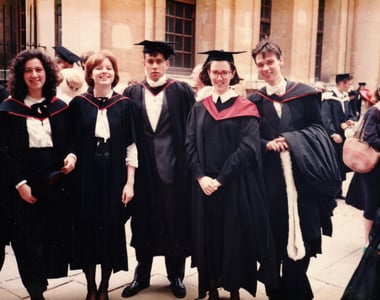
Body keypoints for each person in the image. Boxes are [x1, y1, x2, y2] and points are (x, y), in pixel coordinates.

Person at [248, 38, 338, 300]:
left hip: (303, 183)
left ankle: (295, 288)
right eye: (260, 64)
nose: (266, 68)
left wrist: (293, 140)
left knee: (303, 240)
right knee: (271, 245)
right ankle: (276, 291)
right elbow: (248, 138)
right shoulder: (254, 101)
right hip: (270, 187)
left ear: (281, 60)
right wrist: (267, 144)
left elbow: (319, 131)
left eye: (270, 62)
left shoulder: (306, 95)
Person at [185, 50, 277, 300]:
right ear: (208, 74)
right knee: (208, 238)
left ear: (233, 74)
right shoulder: (199, 107)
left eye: (225, 72)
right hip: (204, 185)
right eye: (215, 72)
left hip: (234, 185)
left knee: (235, 240)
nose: (219, 77)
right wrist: (201, 177)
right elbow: (189, 145)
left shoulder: (245, 107)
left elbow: (248, 148)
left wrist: (220, 179)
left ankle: (234, 289)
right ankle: (211, 287)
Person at [0, 48, 76, 300]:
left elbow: (70, 143)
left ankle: (41, 281)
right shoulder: (9, 109)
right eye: (28, 70)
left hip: (54, 181)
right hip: (23, 180)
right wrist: (19, 183)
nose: (34, 75)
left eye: (39, 69)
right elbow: (4, 151)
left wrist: (71, 157)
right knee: (26, 241)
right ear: (21, 75)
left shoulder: (60, 107)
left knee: (51, 236)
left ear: (48, 73)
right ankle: (35, 291)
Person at [121, 40, 195, 299]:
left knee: (175, 223)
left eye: (159, 61)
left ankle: (176, 276)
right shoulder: (132, 93)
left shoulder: (181, 91)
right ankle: (142, 275)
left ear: (167, 63)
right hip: (144, 175)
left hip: (174, 172)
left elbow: (192, 132)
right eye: (150, 61)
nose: (154, 66)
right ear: (144, 63)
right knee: (143, 223)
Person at [69, 50, 137, 300]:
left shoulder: (125, 105)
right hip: (86, 174)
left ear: (115, 73)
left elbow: (132, 146)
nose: (104, 71)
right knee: (86, 227)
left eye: (108, 67)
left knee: (110, 227)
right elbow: (71, 142)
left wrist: (130, 183)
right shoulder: (78, 105)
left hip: (114, 174)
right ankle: (89, 286)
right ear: (90, 74)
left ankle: (105, 287)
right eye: (98, 68)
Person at [346, 101, 380, 248]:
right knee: (372, 202)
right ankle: (367, 240)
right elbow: (370, 136)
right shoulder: (374, 111)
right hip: (372, 165)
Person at [321, 73, 356, 199]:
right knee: (332, 163)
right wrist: (332, 133)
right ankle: (330, 191)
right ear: (341, 83)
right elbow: (325, 118)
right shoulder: (328, 97)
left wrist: (351, 120)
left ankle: (338, 191)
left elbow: (350, 114)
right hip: (332, 137)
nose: (350, 86)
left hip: (343, 136)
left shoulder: (345, 97)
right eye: (348, 83)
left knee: (341, 163)